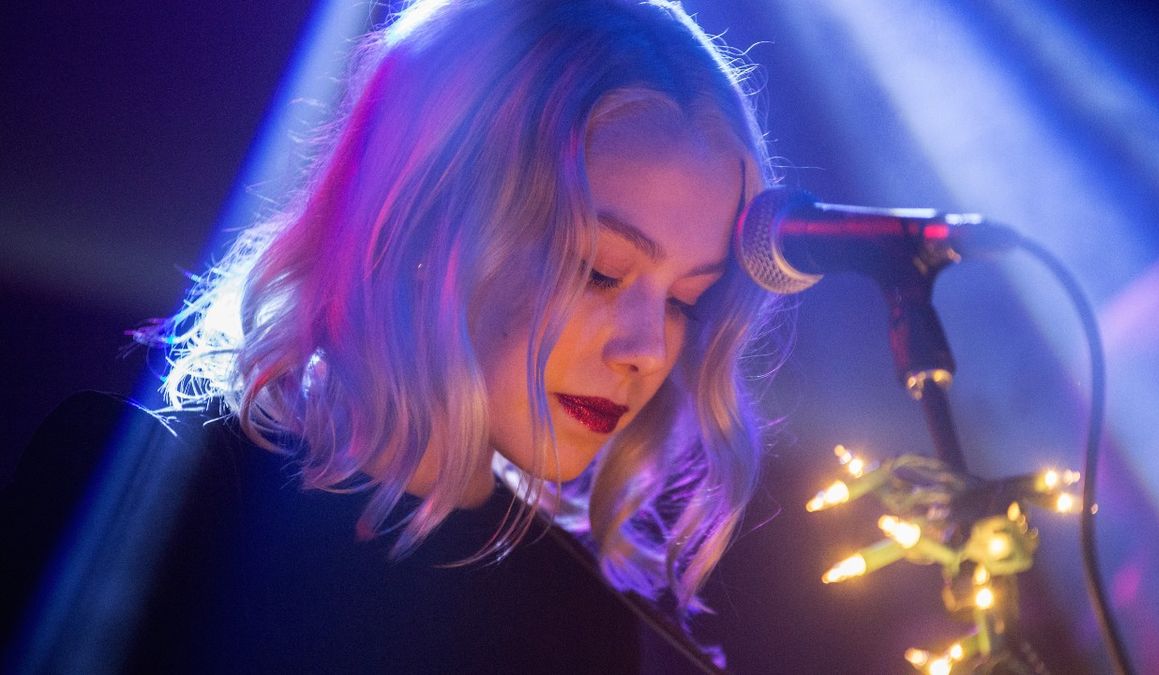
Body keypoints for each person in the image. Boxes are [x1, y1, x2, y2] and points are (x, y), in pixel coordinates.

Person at [1, 0, 787, 672]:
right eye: (602, 270)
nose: (649, 349)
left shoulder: (579, 613)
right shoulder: (130, 497)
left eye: (690, 297)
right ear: (422, 221)